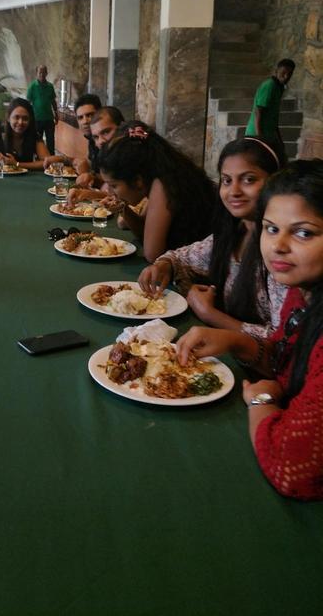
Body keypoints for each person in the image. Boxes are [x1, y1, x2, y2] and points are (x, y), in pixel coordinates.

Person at [176, 160, 323, 501]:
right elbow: (285, 363)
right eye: (271, 228)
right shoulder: (301, 293)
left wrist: (261, 401)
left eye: (304, 232)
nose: (278, 245)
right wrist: (235, 342)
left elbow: (291, 470)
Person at [138, 137, 286, 337]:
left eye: (249, 179)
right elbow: (181, 257)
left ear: (274, 182)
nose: (234, 191)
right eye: (227, 180)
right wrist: (163, 265)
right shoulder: (235, 231)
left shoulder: (280, 252)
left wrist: (209, 314)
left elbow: (281, 341)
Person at [96, 121, 216, 262]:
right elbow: (144, 230)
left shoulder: (163, 185)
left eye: (114, 185)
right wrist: (123, 208)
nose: (110, 192)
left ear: (138, 181)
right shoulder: (160, 174)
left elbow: (152, 254)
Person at [0, 97, 49, 170]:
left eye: (25, 118)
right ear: (8, 118)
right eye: (16, 117)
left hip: (25, 177)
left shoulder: (34, 135)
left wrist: (17, 164)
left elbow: (47, 162)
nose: (20, 122)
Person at [245, 58, 295, 165]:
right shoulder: (270, 85)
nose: (286, 76)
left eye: (289, 74)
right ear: (276, 71)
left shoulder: (279, 88)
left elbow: (273, 116)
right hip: (257, 134)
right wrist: (259, 137)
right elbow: (258, 111)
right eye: (283, 73)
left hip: (268, 134)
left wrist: (279, 138)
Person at [43, 93, 103, 174]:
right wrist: (62, 159)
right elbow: (89, 164)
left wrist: (88, 174)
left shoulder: (108, 142)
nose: (85, 121)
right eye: (80, 118)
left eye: (90, 115)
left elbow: (114, 180)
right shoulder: (92, 139)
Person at [26, 65, 58, 154]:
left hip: (49, 119)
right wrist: (28, 117)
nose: (42, 74)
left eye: (44, 72)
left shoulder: (50, 86)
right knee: (37, 140)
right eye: (40, 72)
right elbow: (28, 102)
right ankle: (38, 157)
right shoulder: (32, 86)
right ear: (36, 73)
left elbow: (53, 101)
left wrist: (56, 113)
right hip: (36, 119)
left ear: (46, 73)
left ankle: (51, 157)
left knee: (50, 140)